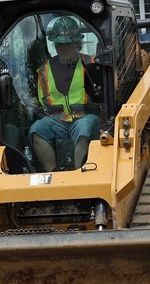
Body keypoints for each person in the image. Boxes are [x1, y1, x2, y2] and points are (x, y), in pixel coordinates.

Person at [28, 16, 100, 171]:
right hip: (55, 119)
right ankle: (53, 174)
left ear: (77, 43)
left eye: (69, 43)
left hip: (84, 116)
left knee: (83, 129)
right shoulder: (43, 70)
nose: (64, 47)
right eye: (60, 44)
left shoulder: (92, 64)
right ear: (55, 44)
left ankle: (77, 171)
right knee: (37, 129)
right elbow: (37, 97)